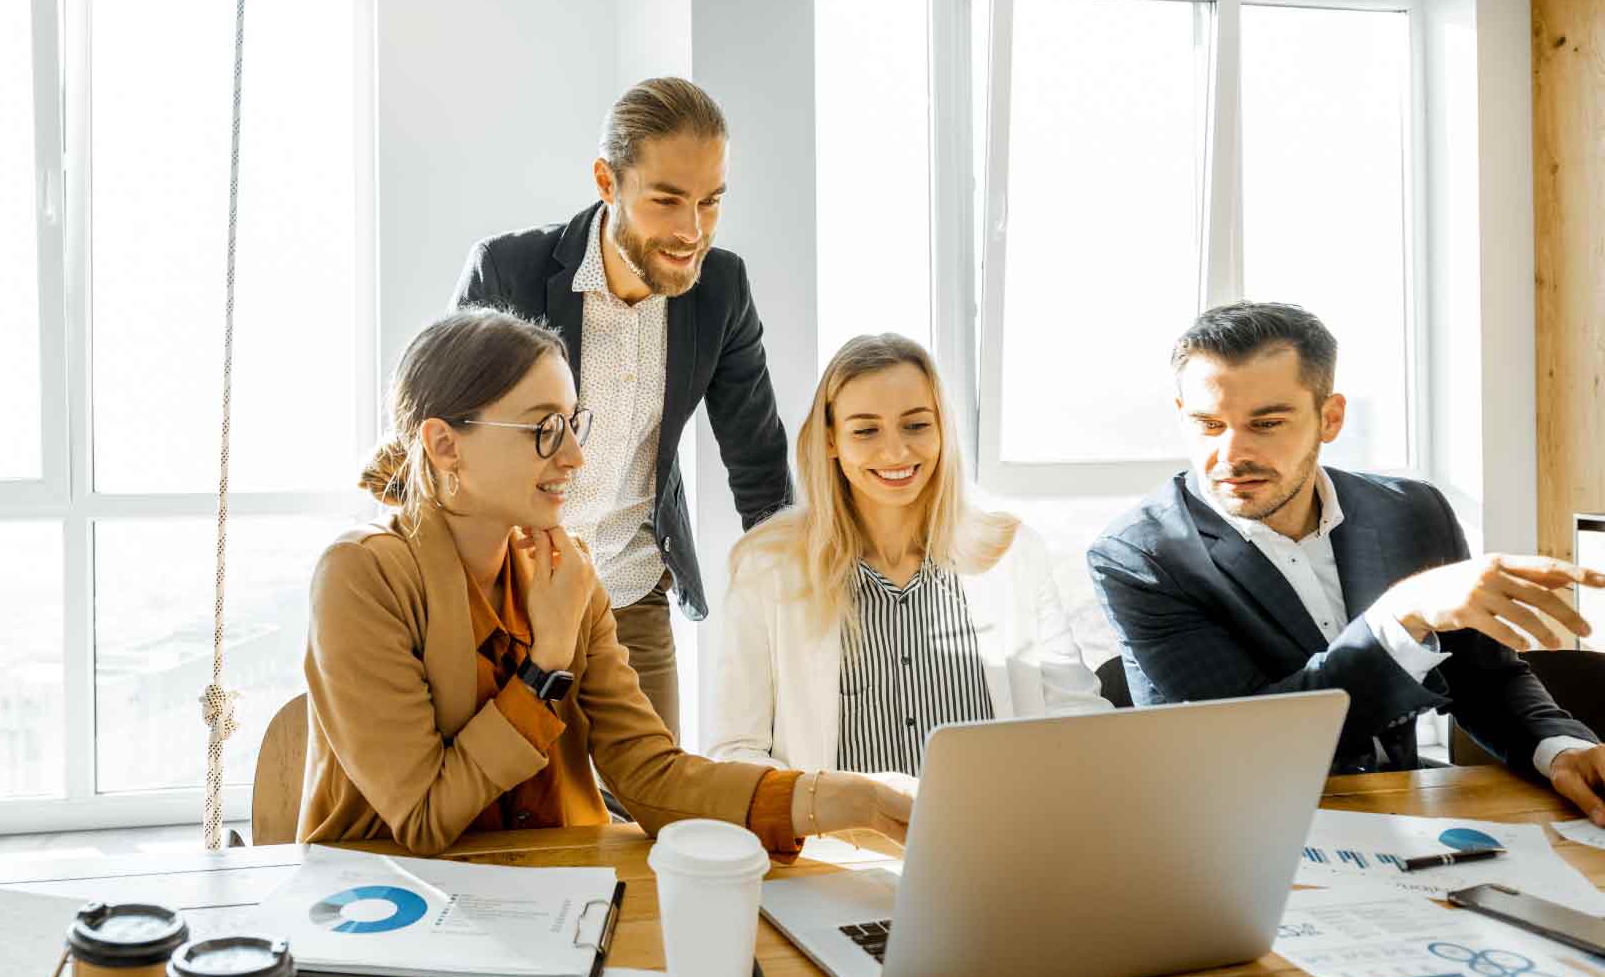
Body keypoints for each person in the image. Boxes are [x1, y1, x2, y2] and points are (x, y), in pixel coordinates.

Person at [297, 307, 909, 856]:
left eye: (572, 424)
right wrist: (546, 664)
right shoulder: (362, 575)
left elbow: (651, 777)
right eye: (543, 428)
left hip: (552, 896)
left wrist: (847, 801)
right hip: (387, 917)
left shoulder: (569, 574)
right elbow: (426, 815)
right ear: (444, 444)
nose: (574, 457)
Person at [1088, 301, 1605, 824]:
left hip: (1404, 820)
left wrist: (1560, 750)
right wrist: (1403, 615)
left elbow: (1481, 677)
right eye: (1208, 424)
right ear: (1182, 416)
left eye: (1265, 423)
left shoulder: (1411, 511)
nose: (1230, 454)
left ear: (1330, 417)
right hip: (1240, 835)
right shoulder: (1141, 557)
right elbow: (1246, 747)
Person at [451, 77, 791, 739]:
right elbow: (437, 447)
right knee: (507, 816)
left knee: (651, 815)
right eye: (666, 200)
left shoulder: (722, 290)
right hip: (504, 595)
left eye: (711, 202)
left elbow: (761, 467)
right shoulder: (507, 272)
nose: (692, 231)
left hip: (631, 593)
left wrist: (801, 612)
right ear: (608, 181)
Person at [709, 334, 1109, 781]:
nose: (896, 451)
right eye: (865, 430)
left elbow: (1076, 717)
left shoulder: (1013, 553)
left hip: (995, 837)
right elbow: (737, 751)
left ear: (942, 429)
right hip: (842, 846)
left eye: (916, 425)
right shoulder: (767, 566)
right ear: (830, 440)